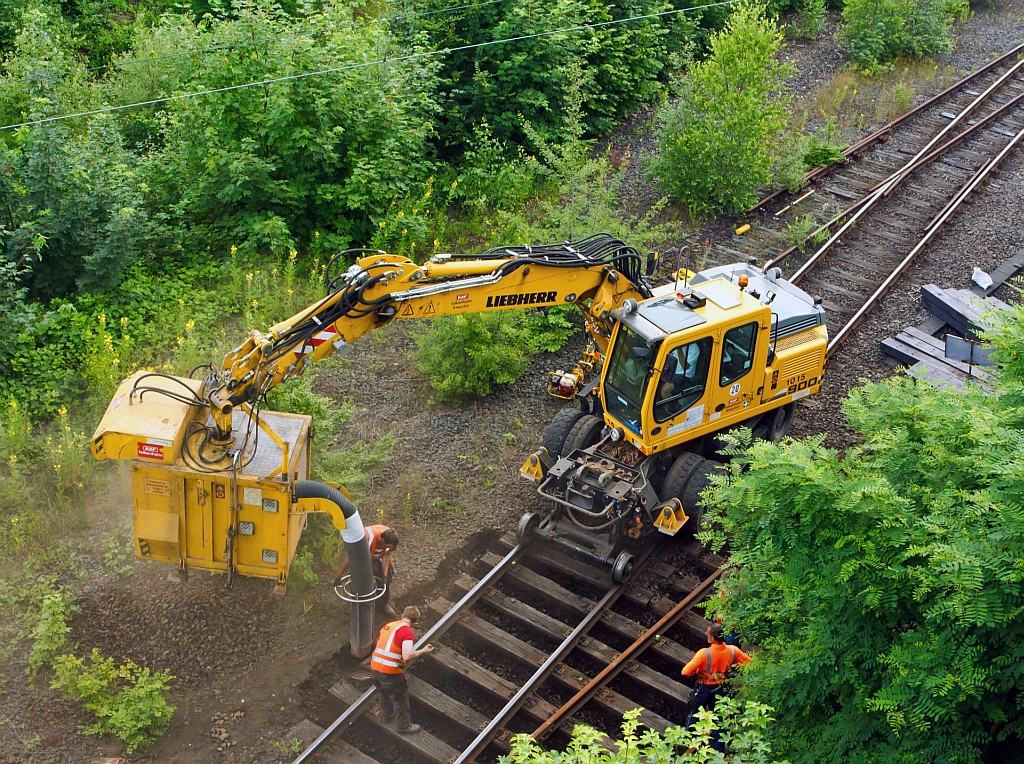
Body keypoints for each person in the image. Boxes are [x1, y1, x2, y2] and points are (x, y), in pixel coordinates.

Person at [682, 623, 752, 750]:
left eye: (708, 634)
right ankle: (718, 749)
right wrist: (730, 672)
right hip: (721, 688)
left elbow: (685, 671)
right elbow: (749, 663)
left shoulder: (704, 653)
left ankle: (690, 742)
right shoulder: (732, 651)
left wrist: (697, 674)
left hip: (704, 688)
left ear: (712, 638)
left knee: (695, 713)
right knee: (719, 718)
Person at [369, 606, 434, 734]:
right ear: (414, 622)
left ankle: (385, 717)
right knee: (399, 699)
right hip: (390, 673)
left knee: (383, 693)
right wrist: (423, 651)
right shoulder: (407, 632)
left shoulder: (388, 626)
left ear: (403, 615)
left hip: (375, 669)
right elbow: (407, 655)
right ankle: (403, 726)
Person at [336, 525, 399, 617]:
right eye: (386, 546)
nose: (388, 548)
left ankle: (382, 606)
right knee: (359, 581)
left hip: (378, 559)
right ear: (382, 541)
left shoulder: (390, 540)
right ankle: (361, 605)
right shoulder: (365, 539)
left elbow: (386, 555)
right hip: (362, 559)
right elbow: (351, 557)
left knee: (386, 583)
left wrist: (384, 576)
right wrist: (339, 575)